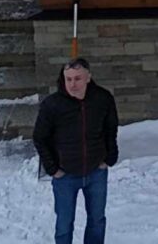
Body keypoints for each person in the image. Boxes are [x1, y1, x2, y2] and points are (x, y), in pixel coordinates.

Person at [32, 58, 120, 244]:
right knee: (64, 225)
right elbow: (40, 138)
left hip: (96, 172)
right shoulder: (52, 105)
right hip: (65, 175)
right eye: (69, 79)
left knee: (97, 221)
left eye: (78, 78)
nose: (73, 84)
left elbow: (110, 129)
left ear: (88, 77)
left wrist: (109, 158)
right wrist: (53, 168)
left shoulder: (102, 99)